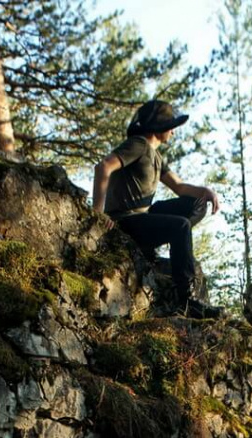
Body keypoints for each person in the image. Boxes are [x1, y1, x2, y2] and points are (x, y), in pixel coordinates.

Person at [93, 100, 221, 318]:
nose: (173, 131)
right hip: (126, 221)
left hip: (144, 217)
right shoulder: (138, 145)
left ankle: (158, 252)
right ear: (159, 127)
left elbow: (180, 187)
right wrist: (97, 213)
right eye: (170, 126)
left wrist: (206, 191)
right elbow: (104, 166)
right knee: (180, 227)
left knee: (196, 202)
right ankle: (187, 300)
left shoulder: (157, 157)